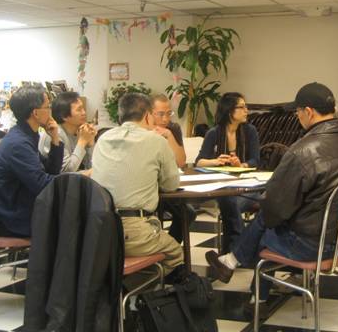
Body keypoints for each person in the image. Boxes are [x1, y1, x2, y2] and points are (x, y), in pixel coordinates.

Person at [205, 82, 338, 312]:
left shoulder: (303, 150)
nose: (297, 116)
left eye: (298, 112)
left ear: (308, 112)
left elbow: (274, 210)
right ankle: (243, 279)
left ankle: (233, 264)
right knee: (269, 221)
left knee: (265, 223)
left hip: (312, 245)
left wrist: (269, 207)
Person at [91, 93, 183, 275]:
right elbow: (171, 184)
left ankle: (120, 289)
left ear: (120, 115)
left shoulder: (103, 139)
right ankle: (142, 292)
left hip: (98, 230)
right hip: (134, 230)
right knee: (176, 253)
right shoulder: (156, 141)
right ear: (148, 116)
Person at [0, 86, 64, 237]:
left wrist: (55, 138)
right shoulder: (18, 144)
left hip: (18, 205)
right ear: (35, 113)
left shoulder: (25, 135)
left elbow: (51, 171)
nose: (50, 110)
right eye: (48, 106)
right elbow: (42, 185)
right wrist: (79, 178)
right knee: (73, 219)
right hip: (12, 217)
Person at [195, 92, 260, 253]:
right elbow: (199, 161)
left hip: (247, 186)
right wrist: (215, 161)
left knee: (229, 204)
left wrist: (242, 164)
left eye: (246, 107)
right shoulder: (214, 133)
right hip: (223, 187)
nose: (246, 110)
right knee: (228, 201)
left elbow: (256, 161)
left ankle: (231, 252)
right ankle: (237, 253)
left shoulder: (250, 131)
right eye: (242, 107)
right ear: (229, 110)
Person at [151, 94, 195, 244]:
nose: (165, 119)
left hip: (168, 184)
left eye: (168, 113)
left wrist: (169, 135)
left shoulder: (173, 128)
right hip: (148, 186)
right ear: (149, 114)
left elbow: (181, 161)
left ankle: (171, 248)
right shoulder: (143, 130)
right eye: (161, 114)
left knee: (187, 213)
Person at [39, 91, 96, 173]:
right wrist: (82, 141)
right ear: (64, 116)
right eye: (79, 110)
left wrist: (90, 143)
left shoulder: (79, 130)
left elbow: (90, 166)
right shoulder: (54, 133)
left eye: (83, 108)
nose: (84, 113)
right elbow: (66, 172)